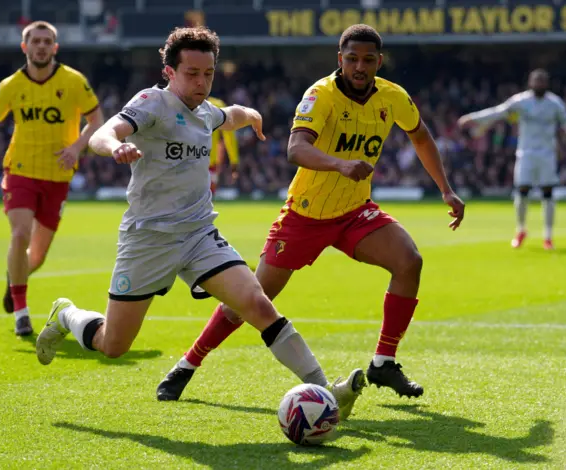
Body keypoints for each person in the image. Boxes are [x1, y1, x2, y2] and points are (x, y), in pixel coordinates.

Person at [35, 26, 365, 418]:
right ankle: (66, 314)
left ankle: (327, 392)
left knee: (257, 303)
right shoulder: (152, 103)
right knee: (113, 344)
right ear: (169, 72)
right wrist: (115, 146)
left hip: (198, 235)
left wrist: (252, 116)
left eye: (208, 74)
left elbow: (231, 116)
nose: (201, 82)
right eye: (192, 73)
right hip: (149, 239)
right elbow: (103, 133)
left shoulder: (206, 111)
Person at [157, 24, 466, 402]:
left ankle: (383, 363)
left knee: (409, 261)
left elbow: (420, 135)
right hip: (305, 215)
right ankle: (188, 363)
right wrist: (340, 165)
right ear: (340, 59)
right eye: (351, 58)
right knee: (249, 300)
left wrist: (446, 189)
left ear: (379, 62)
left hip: (354, 212)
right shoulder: (320, 95)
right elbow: (295, 149)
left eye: (368, 60)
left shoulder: (393, 96)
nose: (359, 66)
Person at [0, 21, 103, 336]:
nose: (42, 46)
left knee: (38, 256)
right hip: (19, 170)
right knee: (19, 234)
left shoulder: (74, 81)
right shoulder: (10, 86)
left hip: (58, 177)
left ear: (55, 48)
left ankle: (14, 276)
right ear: (25, 47)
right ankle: (22, 312)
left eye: (48, 41)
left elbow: (96, 118)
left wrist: (76, 147)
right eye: (36, 41)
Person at [459, 69, 566, 250]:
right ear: (530, 82)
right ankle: (521, 230)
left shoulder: (555, 104)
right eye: (536, 81)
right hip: (525, 154)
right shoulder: (521, 101)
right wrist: (473, 118)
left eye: (542, 81)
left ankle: (548, 236)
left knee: (548, 193)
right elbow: (498, 112)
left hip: (547, 155)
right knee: (522, 192)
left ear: (547, 84)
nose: (539, 84)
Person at [207, 96, 239, 195]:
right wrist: (234, 161)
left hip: (186, 162)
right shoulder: (217, 105)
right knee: (207, 200)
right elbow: (229, 136)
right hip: (209, 163)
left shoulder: (180, 102)